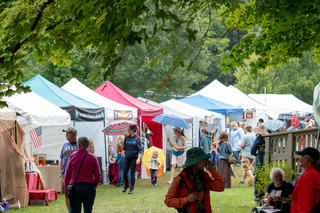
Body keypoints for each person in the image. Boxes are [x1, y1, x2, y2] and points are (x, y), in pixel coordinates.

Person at [164, 147, 224, 212]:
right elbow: (168, 201)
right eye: (203, 159)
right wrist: (186, 199)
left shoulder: (204, 176)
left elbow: (220, 187)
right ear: (195, 162)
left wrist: (213, 171)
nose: (206, 161)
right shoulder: (180, 179)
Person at [64, 137, 101, 213]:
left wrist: (66, 189)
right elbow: (98, 175)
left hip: (75, 187)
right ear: (88, 145)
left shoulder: (72, 156)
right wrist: (94, 186)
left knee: (74, 210)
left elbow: (67, 174)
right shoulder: (93, 157)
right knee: (88, 209)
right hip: (89, 186)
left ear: (79, 145)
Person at [290, 147, 320, 213]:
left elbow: (305, 205)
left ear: (307, 159)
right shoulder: (313, 173)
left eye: (301, 156)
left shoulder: (309, 175)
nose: (300, 159)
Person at [60, 127, 78, 212]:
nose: (66, 135)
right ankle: (69, 211)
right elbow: (61, 158)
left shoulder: (79, 145)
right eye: (65, 133)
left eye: (68, 133)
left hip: (75, 175)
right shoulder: (64, 145)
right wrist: (61, 172)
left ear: (74, 134)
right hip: (65, 174)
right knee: (67, 195)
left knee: (75, 195)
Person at [122, 124, 142, 194]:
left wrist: (138, 159)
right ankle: (126, 185)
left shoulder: (137, 138)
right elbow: (124, 148)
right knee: (124, 172)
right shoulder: (127, 138)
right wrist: (122, 140)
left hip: (134, 158)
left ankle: (131, 188)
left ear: (132, 130)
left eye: (129, 130)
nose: (127, 131)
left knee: (132, 173)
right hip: (127, 157)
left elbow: (140, 150)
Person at [251, 124, 269, 201]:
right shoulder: (268, 138)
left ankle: (258, 194)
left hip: (261, 158)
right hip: (269, 158)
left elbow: (252, 151)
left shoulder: (258, 139)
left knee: (258, 175)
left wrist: (256, 154)